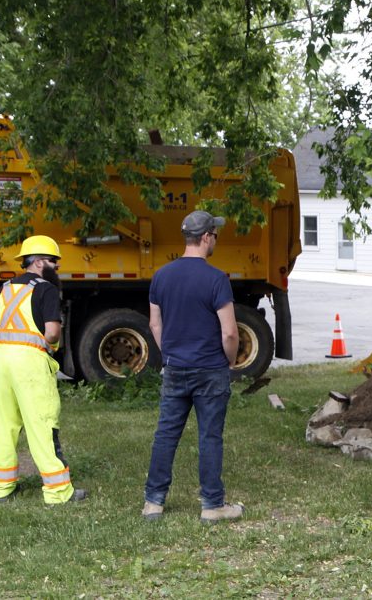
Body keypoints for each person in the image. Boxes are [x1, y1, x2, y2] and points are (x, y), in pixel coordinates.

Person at [142, 210, 242, 524]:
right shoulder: (216, 279)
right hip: (210, 369)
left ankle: (153, 503)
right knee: (209, 437)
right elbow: (229, 331)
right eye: (215, 235)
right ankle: (212, 505)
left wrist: (170, 354)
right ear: (206, 237)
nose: (216, 240)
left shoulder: (161, 276)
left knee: (166, 435)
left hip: (174, 367)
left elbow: (155, 324)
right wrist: (229, 359)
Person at [0, 234, 88, 506]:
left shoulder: (3, 288)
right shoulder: (47, 290)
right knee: (42, 424)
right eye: (55, 262)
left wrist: (2, 350)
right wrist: (46, 343)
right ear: (41, 262)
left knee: (1, 425)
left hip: (0, 363)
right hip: (29, 363)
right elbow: (52, 333)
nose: (58, 267)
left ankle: (2, 489)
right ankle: (58, 493)